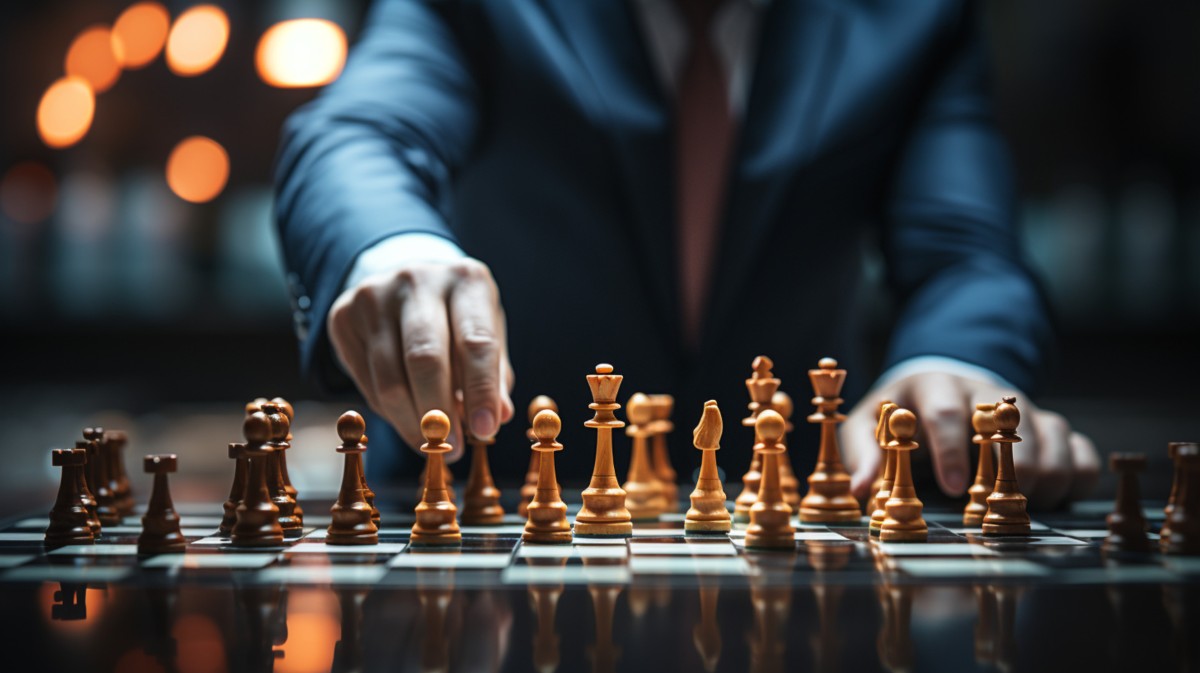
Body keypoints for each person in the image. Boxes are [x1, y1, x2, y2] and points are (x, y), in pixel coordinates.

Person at [274, 0, 1099, 508]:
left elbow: (968, 257)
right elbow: (356, 134)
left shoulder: (914, 14)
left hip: (798, 559)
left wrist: (955, 362)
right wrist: (389, 246)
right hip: (474, 529)